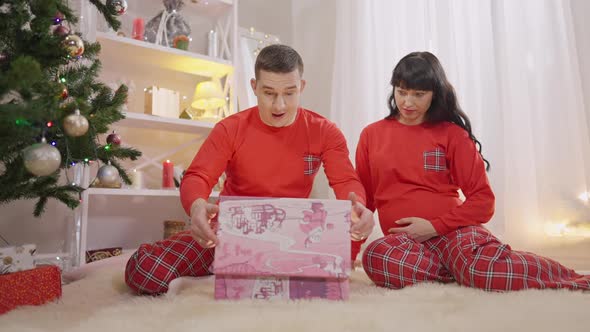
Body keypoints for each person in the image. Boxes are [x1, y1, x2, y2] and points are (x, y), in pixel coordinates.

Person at [125, 44, 374, 295]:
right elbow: (198, 176)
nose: (279, 105)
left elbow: (346, 182)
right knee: (146, 271)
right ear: (254, 87)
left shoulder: (324, 131)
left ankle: (242, 270)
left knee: (327, 274)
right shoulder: (230, 129)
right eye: (269, 93)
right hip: (228, 235)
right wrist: (197, 206)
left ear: (302, 87)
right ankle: (226, 266)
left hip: (293, 237)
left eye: (290, 93)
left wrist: (357, 206)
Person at [356, 51, 590, 291]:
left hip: (454, 234)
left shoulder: (452, 135)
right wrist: (348, 251)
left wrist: (434, 227)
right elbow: (363, 204)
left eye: (419, 94)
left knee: (479, 268)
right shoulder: (371, 135)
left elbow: (483, 201)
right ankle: (466, 272)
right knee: (377, 256)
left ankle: (572, 279)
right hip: (406, 244)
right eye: (401, 92)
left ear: (435, 94)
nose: (407, 102)